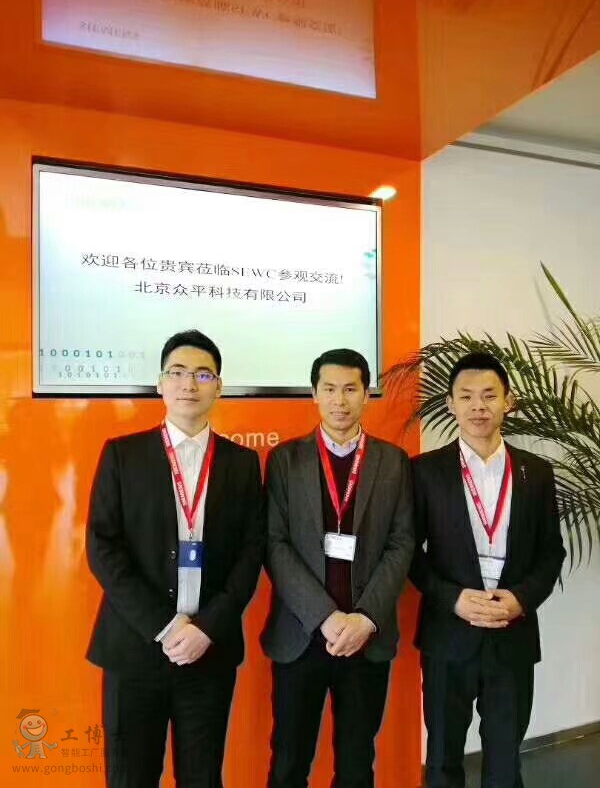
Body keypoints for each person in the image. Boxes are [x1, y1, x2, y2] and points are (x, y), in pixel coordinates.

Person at [86, 330, 264, 788]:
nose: (189, 384)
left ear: (218, 386)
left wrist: (206, 628)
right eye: (178, 372)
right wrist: (165, 627)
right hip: (135, 649)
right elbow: (103, 548)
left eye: (203, 375)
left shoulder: (242, 464)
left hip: (209, 651)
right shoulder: (123, 455)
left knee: (202, 776)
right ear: (160, 383)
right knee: (130, 776)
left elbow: (251, 554)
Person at [261, 348, 414, 788]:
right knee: (288, 762)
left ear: (366, 394)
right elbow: (274, 545)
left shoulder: (393, 461)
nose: (339, 400)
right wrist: (325, 616)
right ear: (314, 394)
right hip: (301, 636)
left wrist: (364, 618)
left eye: (350, 389)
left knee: (356, 764)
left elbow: (402, 543)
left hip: (366, 638)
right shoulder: (286, 461)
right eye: (329, 389)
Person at [411, 352, 565, 788]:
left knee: (505, 761)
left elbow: (551, 552)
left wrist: (520, 599)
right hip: (448, 636)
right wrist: (453, 598)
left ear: (507, 401)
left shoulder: (536, 472)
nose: (478, 406)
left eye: (489, 395)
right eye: (466, 396)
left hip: (512, 636)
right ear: (450, 404)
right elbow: (410, 554)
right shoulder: (424, 471)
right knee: (442, 759)